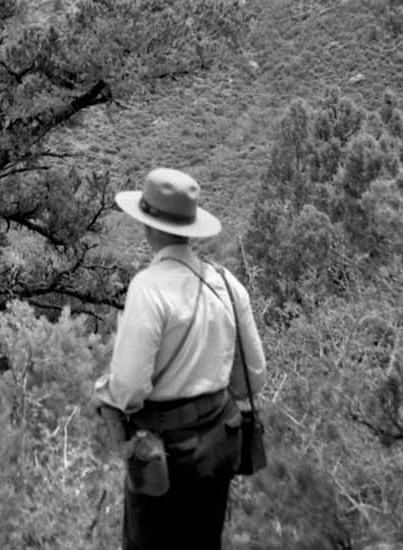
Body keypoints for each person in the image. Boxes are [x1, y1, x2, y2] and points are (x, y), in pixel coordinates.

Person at [94, 167, 266, 550]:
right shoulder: (226, 284)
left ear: (148, 227)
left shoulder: (147, 288)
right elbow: (253, 379)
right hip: (220, 443)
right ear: (191, 228)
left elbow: (129, 390)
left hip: (164, 454)